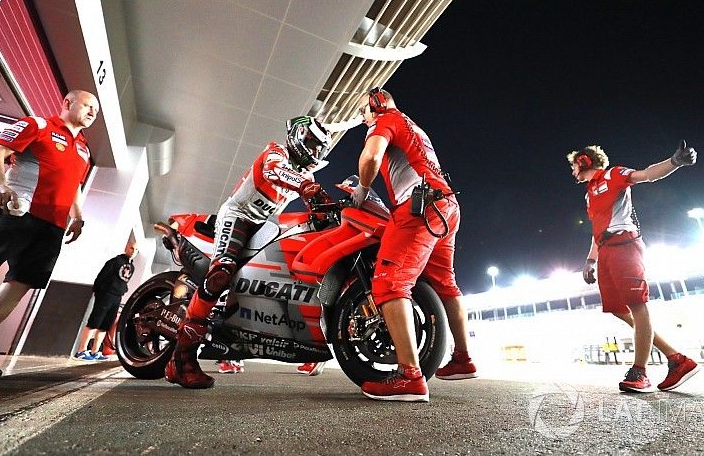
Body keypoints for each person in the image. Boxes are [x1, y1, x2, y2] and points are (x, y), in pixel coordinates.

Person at [165, 116, 331, 389]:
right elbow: (274, 171)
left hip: (264, 225)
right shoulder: (277, 151)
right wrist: (305, 187)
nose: (312, 152)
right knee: (220, 274)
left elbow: (311, 200)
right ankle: (181, 359)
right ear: (298, 135)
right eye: (310, 143)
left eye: (317, 149)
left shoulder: (307, 176)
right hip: (238, 216)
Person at [351, 88, 476, 403]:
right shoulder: (414, 126)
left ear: (375, 105)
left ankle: (410, 377)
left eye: (363, 112)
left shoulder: (386, 119)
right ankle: (463, 358)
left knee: (389, 283)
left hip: (419, 207)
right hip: (445, 204)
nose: (362, 118)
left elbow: (371, 157)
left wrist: (362, 189)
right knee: (445, 284)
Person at [0, 90, 99, 379]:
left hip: (51, 227)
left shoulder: (84, 149)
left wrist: (77, 217)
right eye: (88, 105)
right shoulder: (38, 125)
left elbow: (74, 185)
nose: (92, 112)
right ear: (67, 103)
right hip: (15, 212)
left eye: (96, 110)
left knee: (19, 284)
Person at [567, 141, 701, 392]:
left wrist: (675, 162)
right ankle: (676, 358)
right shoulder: (589, 194)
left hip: (625, 245)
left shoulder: (614, 174)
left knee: (638, 306)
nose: (572, 171)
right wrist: (590, 260)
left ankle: (640, 372)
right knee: (619, 309)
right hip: (606, 250)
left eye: (574, 165)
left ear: (584, 162)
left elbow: (647, 175)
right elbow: (598, 230)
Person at [74, 242, 137, 361]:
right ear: (126, 248)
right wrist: (99, 292)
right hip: (106, 293)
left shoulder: (132, 267)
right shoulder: (115, 261)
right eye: (131, 248)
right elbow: (102, 276)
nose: (133, 251)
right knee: (94, 321)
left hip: (117, 296)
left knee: (105, 325)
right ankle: (81, 350)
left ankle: (95, 351)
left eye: (136, 250)